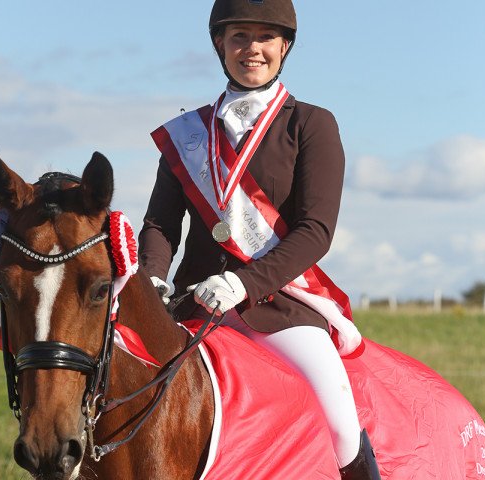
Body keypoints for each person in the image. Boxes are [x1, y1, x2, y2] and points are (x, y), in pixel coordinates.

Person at [139, 1, 381, 478]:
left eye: (265, 37)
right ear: (219, 45)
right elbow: (160, 225)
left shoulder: (310, 124)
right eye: (238, 37)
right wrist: (151, 278)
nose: (252, 49)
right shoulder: (189, 136)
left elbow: (316, 230)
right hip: (195, 303)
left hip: (279, 302)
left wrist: (244, 284)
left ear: (284, 45)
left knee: (340, 425)